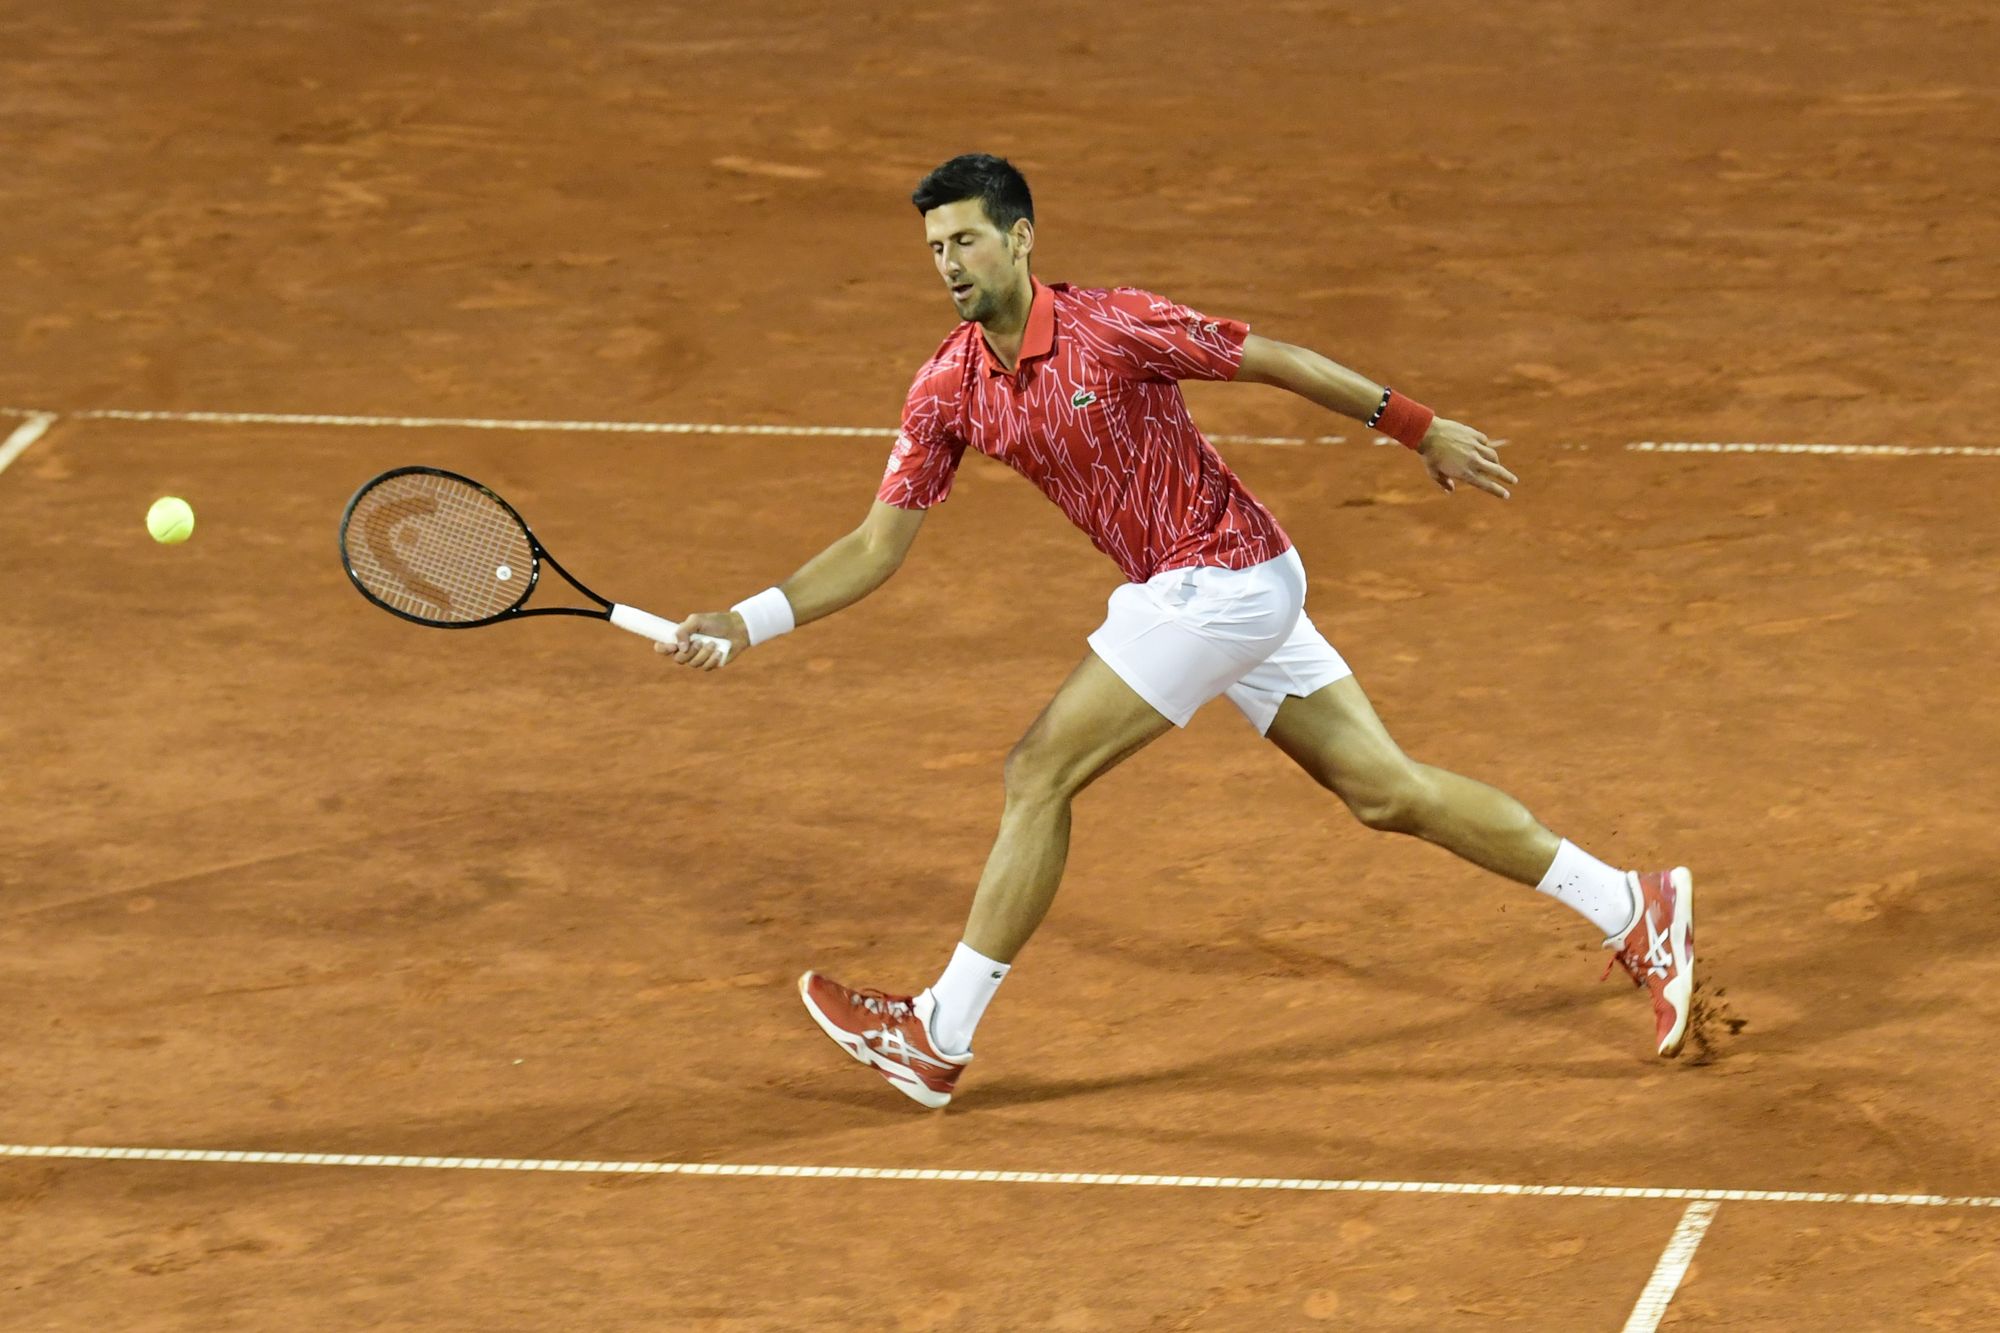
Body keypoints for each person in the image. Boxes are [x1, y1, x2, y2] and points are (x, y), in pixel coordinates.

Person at [662, 153, 1694, 1108]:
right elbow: (873, 546)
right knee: (1385, 792)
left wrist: (1416, 427)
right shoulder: (947, 387)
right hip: (1213, 588)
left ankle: (937, 1034)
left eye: (966, 240)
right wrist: (744, 623)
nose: (949, 264)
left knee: (1038, 774)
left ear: (1019, 237)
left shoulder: (1112, 325)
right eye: (934, 248)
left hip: (1225, 581)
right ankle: (1628, 903)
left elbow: (1273, 357)